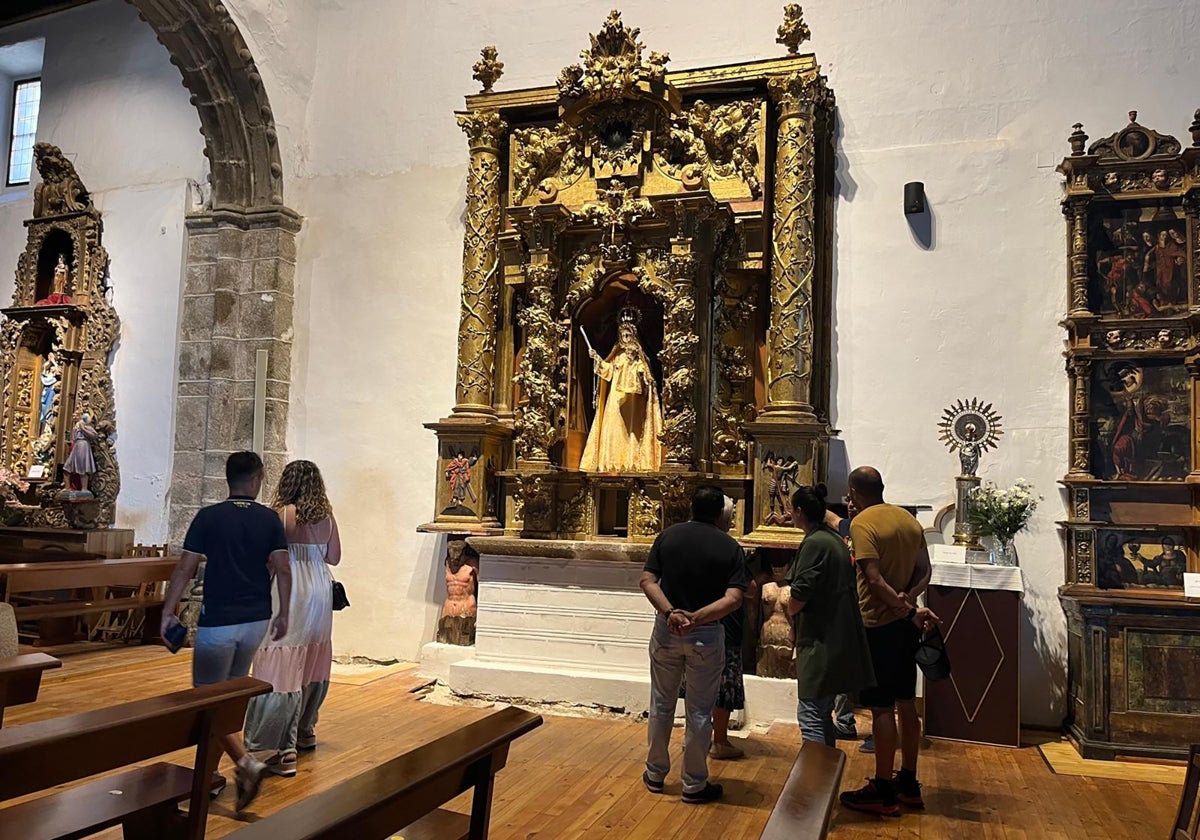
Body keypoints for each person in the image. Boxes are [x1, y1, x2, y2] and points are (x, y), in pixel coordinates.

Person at [161, 451, 291, 812]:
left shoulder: (208, 517)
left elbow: (185, 568)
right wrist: (285, 612)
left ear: (227, 478)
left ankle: (246, 764)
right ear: (258, 478)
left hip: (218, 620)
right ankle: (211, 777)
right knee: (230, 699)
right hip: (256, 620)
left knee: (208, 701)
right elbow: (282, 568)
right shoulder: (269, 519)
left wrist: (168, 610)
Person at [640, 485, 748, 804]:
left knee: (661, 702)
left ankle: (655, 774)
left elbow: (647, 580)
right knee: (700, 710)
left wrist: (671, 612)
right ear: (720, 514)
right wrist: (697, 618)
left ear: (691, 507)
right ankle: (694, 783)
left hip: (667, 630)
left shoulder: (668, 536)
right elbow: (734, 598)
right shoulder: (729, 546)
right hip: (707, 634)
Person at [839, 466, 934, 817]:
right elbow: (926, 570)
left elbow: (873, 579)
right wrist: (909, 600)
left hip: (877, 624)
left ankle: (882, 788)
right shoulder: (908, 521)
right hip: (905, 623)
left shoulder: (863, 523)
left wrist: (898, 606)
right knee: (906, 702)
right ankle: (908, 782)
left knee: (880, 707)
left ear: (853, 491)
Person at [243, 460, 341, 778]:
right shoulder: (327, 517)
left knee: (279, 663)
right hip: (320, 592)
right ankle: (305, 731)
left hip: (290, 590)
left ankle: (281, 750)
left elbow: (268, 561)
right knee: (310, 658)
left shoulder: (281, 515)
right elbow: (334, 557)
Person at [786, 484, 876, 746]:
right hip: (836, 635)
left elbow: (801, 592)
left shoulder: (815, 543)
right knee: (823, 713)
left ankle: (814, 780)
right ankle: (823, 777)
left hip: (820, 639)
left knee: (811, 713)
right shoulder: (833, 539)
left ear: (800, 512)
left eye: (792, 510)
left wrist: (790, 609)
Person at [580, 307, 662, 472]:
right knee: (614, 429)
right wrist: (597, 359)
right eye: (623, 335)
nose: (626, 338)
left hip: (634, 401)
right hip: (616, 399)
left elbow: (647, 375)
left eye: (628, 335)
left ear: (634, 335)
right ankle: (612, 462)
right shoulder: (617, 355)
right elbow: (608, 372)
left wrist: (641, 371)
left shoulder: (640, 356)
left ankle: (634, 462)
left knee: (632, 431)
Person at [711, 495, 751, 760]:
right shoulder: (729, 546)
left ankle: (697, 737)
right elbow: (747, 588)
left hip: (697, 623)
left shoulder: (682, 540)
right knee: (724, 685)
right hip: (726, 624)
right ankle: (720, 740)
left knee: (698, 684)